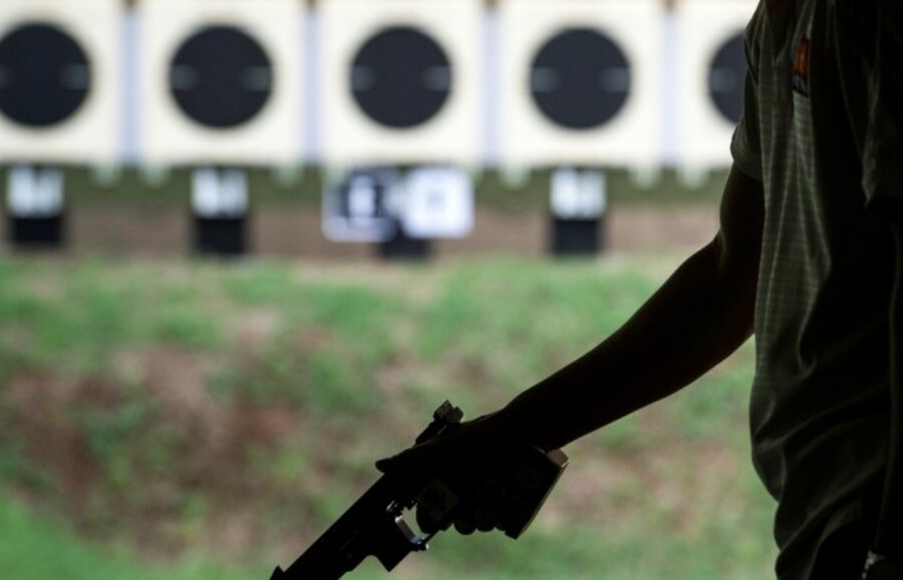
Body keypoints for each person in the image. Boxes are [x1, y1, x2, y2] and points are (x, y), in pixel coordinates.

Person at [377, 0, 902, 578]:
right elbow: (731, 276)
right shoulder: (781, 20)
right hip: (828, 514)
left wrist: (891, 542)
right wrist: (511, 432)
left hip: (877, 516)